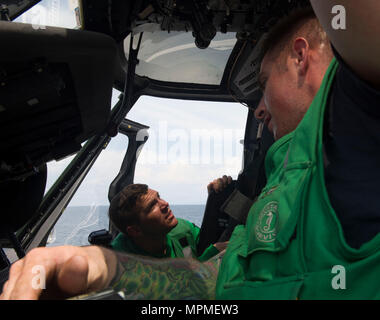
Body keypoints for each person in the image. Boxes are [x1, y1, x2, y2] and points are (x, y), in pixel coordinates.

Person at [2, 1, 380, 300]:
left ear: (301, 57)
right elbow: (214, 282)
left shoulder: (352, 121)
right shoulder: (283, 170)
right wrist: (100, 269)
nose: (260, 108)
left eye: (263, 85)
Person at [108, 183, 228, 261]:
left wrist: (217, 198)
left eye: (159, 197)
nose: (165, 204)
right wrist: (211, 255)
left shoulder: (182, 229)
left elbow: (209, 239)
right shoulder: (120, 264)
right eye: (152, 206)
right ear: (135, 230)